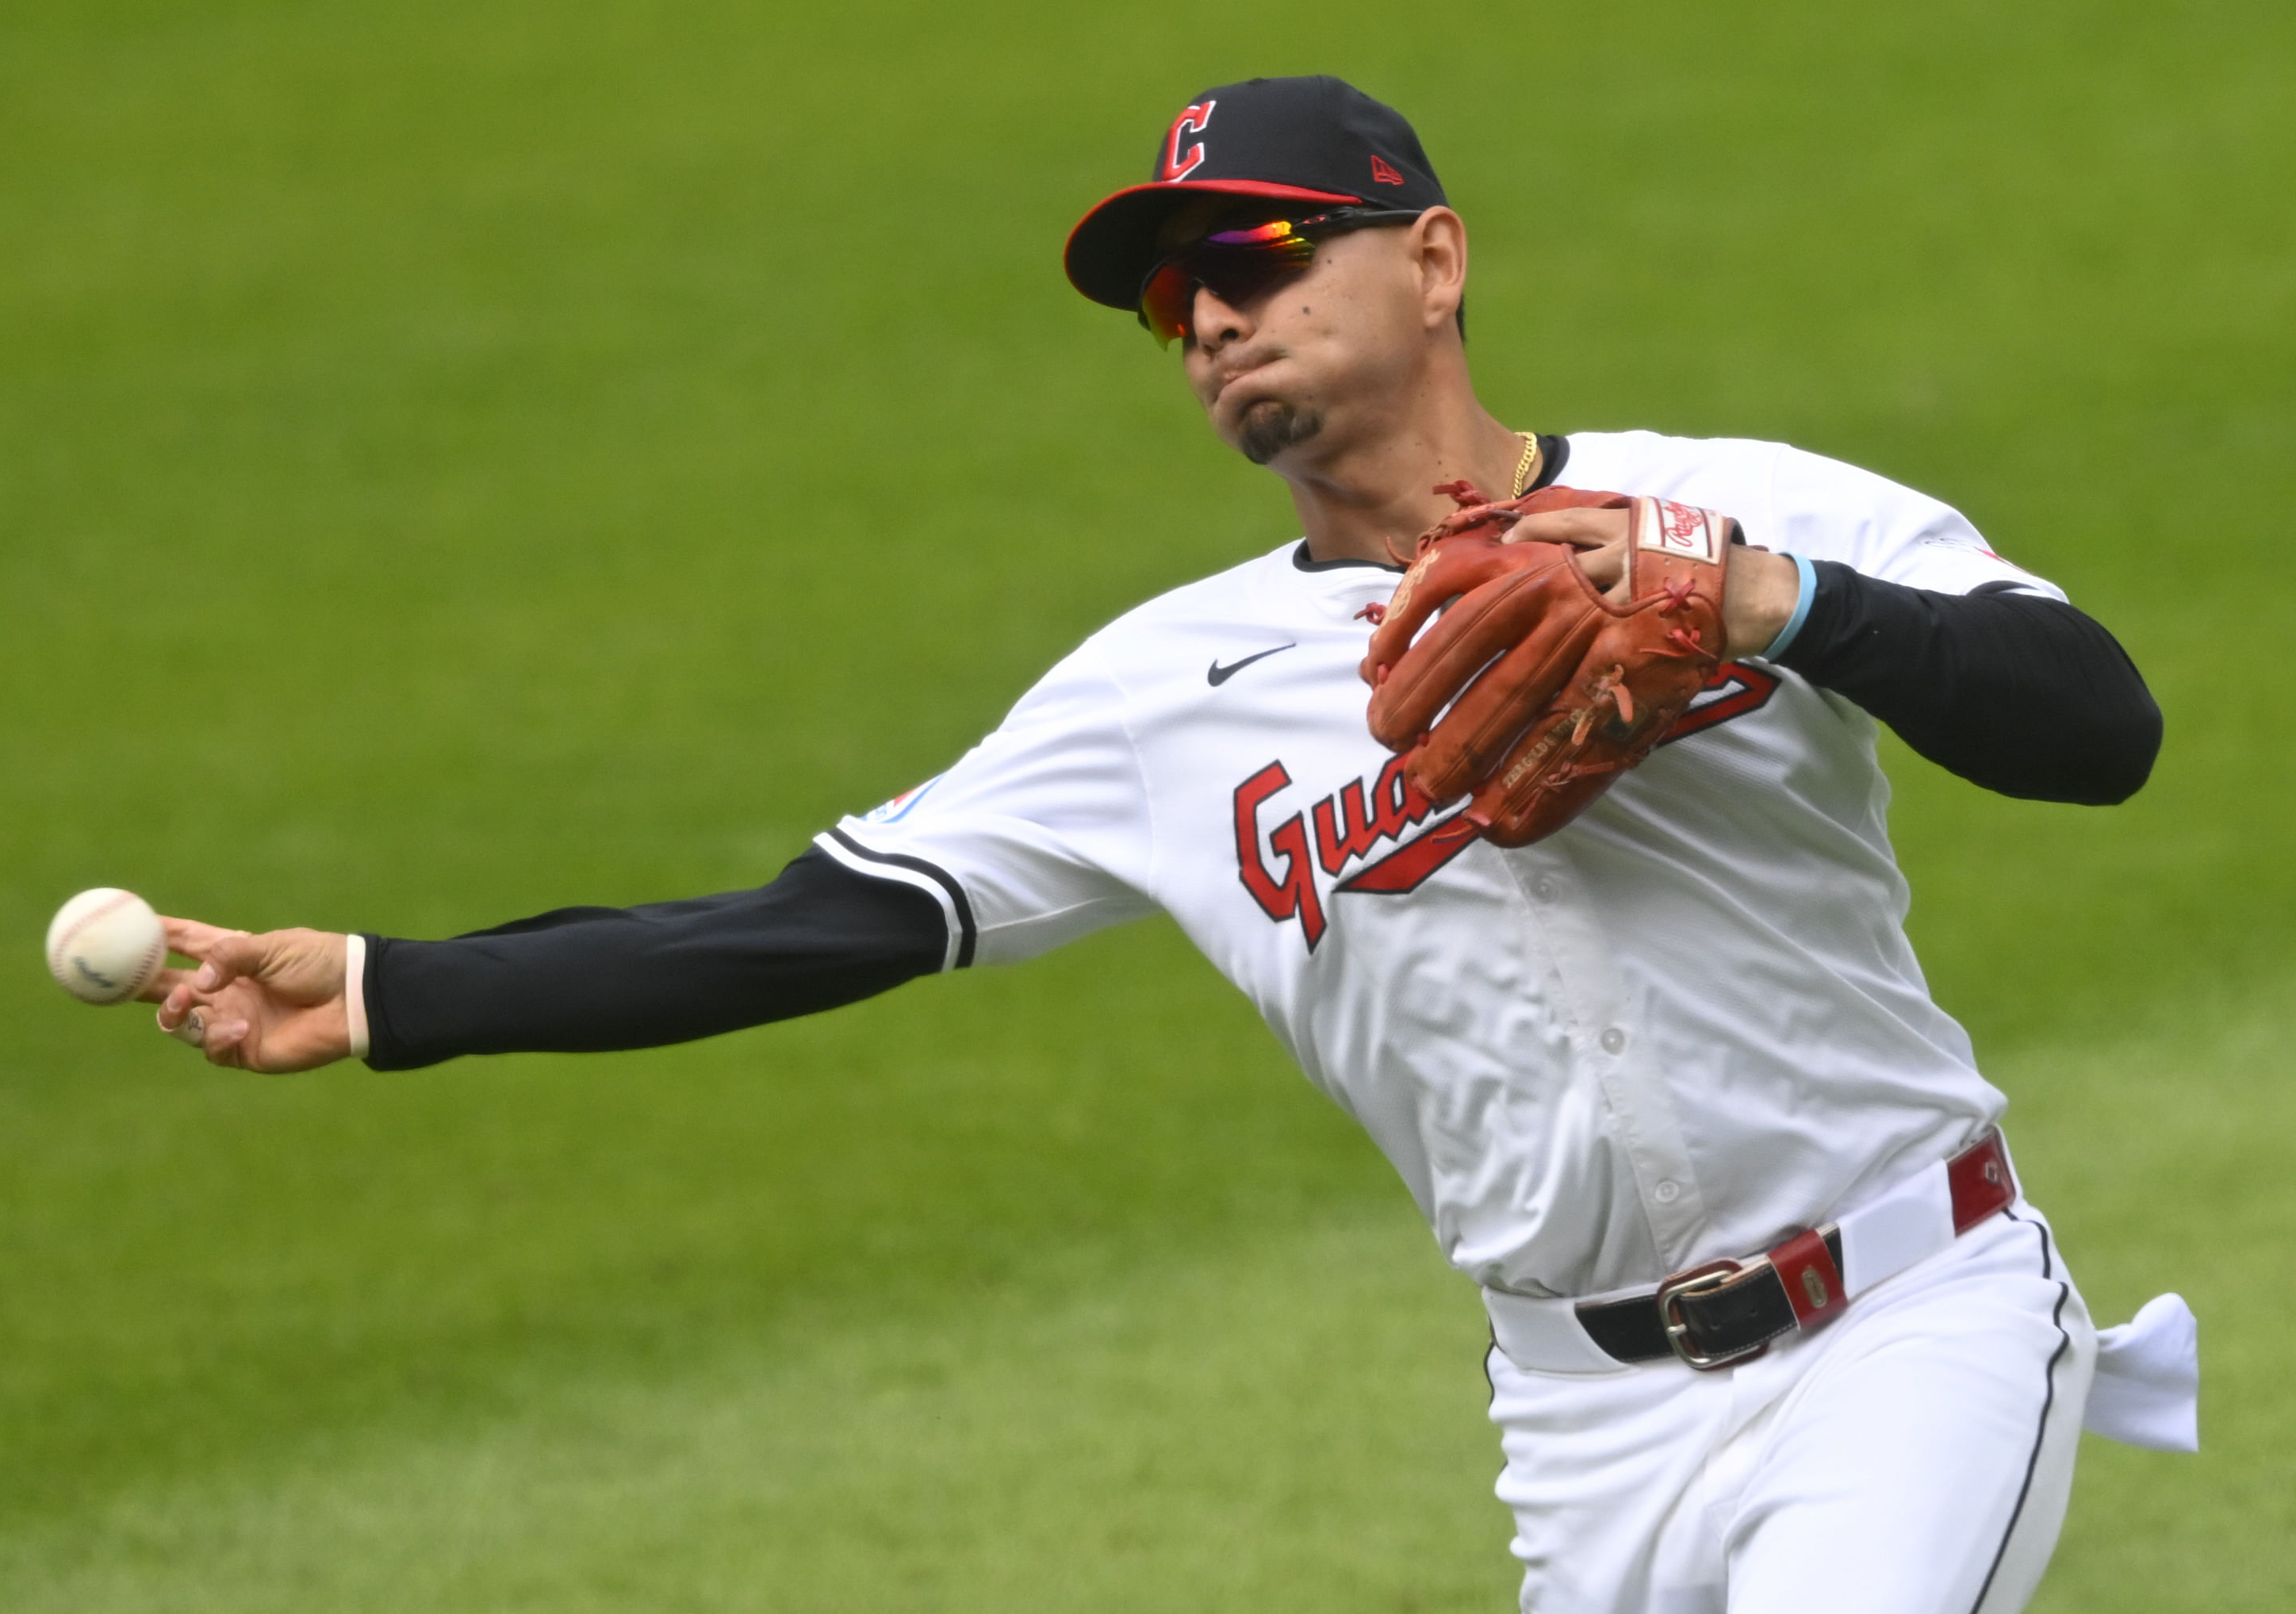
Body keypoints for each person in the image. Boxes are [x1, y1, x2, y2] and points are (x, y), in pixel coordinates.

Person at [144, 75, 2195, 1614]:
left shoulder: (1739, 497)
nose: (1207, 316)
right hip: (1583, 1424)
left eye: (1256, 257)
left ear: (1438, 258)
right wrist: (401, 989)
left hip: (1903, 1318)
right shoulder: (1159, 695)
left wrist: (1772, 604)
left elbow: (2098, 730)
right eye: (1168, 303)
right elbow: (821, 924)